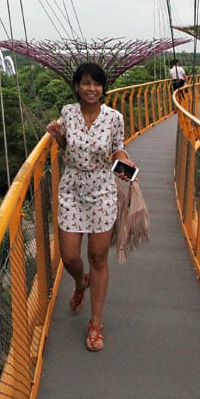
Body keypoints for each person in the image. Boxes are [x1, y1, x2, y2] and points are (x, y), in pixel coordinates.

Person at [45, 62, 131, 353]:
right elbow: (66, 146)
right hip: (72, 189)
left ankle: (95, 323)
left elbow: (118, 146)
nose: (91, 89)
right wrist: (58, 137)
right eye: (85, 83)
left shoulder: (114, 117)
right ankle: (81, 283)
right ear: (77, 86)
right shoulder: (68, 113)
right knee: (69, 256)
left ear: (103, 88)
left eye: (96, 84)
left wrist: (124, 160)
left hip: (102, 189)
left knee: (98, 257)